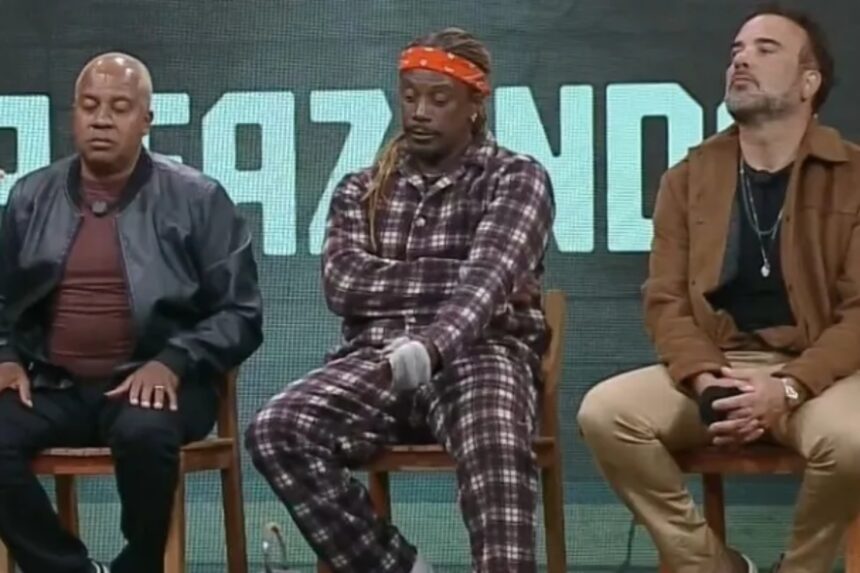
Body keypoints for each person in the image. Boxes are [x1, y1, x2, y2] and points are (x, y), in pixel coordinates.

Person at [246, 27, 555, 573]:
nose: (419, 112)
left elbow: (485, 285)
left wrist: (433, 346)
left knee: (496, 442)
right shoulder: (360, 188)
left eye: (439, 99)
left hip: (482, 354)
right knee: (277, 429)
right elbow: (344, 284)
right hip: (377, 355)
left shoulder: (516, 177)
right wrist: (459, 272)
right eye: (410, 96)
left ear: (474, 106)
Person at [577, 6, 860, 573]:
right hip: (719, 367)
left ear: (809, 82)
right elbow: (665, 301)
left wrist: (789, 387)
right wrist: (707, 382)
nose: (741, 60)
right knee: (605, 413)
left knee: (852, 440)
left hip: (818, 375)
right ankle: (710, 565)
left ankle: (800, 568)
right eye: (736, 51)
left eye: (765, 49)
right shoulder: (687, 177)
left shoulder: (853, 175)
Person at [0, 53, 263, 573]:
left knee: (145, 435)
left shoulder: (197, 199)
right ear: (73, 116)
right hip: (54, 385)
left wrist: (174, 360)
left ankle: (138, 566)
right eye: (89, 106)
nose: (101, 120)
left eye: (119, 108)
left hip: (159, 382)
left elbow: (241, 312)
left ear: (146, 120)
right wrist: (6, 355)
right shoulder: (31, 196)